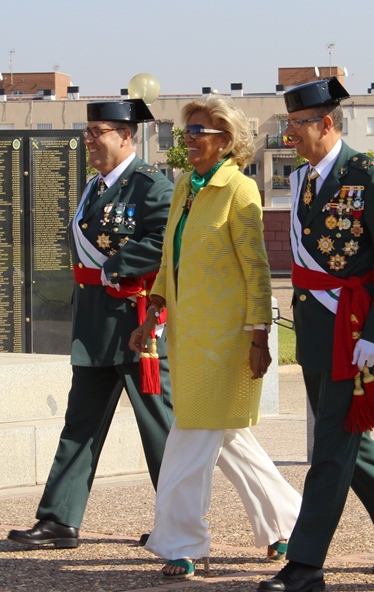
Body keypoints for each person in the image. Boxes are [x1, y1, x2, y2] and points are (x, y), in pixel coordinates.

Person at [129, 94, 301, 580]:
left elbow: (257, 271)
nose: (188, 140)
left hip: (224, 342)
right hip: (187, 336)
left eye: (198, 132)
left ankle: (182, 542)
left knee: (187, 442)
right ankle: (290, 520)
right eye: (185, 132)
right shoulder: (185, 184)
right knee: (227, 438)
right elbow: (171, 258)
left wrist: (259, 336)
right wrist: (153, 313)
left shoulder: (240, 190)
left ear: (225, 141)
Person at [259, 78, 374, 592]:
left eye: (298, 125)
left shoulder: (368, 176)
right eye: (288, 124)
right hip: (314, 327)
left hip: (350, 331)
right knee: (348, 438)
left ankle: (305, 564)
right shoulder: (302, 180)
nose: (291, 134)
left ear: (326, 124)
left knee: (329, 447)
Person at [7, 100, 176, 549]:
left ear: (126, 135)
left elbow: (165, 241)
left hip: (137, 323)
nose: (89, 139)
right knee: (80, 423)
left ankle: (179, 523)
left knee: (160, 429)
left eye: (97, 131)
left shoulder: (150, 186)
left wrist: (114, 266)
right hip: (95, 324)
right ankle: (59, 519)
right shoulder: (94, 187)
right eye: (87, 131)